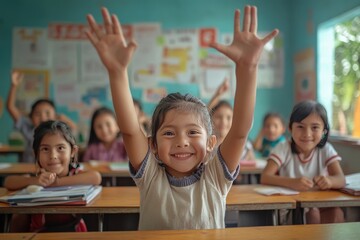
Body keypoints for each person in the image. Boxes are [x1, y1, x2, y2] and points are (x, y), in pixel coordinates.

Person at [86, 6, 278, 229]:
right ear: (153, 145)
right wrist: (117, 73)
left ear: (210, 143)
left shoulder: (215, 176)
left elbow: (240, 131)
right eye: (168, 133)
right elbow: (129, 130)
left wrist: (248, 67)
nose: (182, 141)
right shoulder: (150, 177)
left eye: (193, 132)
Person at [3, 120, 101, 232]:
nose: (53, 156)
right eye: (45, 149)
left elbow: (96, 177)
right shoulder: (37, 177)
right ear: (36, 154)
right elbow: (8, 182)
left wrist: (58, 182)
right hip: (38, 234)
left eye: (60, 148)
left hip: (73, 233)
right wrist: (35, 181)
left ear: (73, 152)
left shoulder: (74, 174)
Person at [260, 100, 346, 224]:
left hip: (320, 203)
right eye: (300, 126)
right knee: (312, 214)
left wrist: (329, 181)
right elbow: (265, 177)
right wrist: (292, 183)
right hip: (291, 208)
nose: (307, 134)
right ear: (290, 128)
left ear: (324, 131)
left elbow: (341, 179)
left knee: (336, 212)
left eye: (315, 127)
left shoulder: (326, 149)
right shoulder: (283, 148)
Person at [6, 70, 77, 163]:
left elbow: (74, 129)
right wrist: (14, 86)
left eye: (47, 113)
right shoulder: (28, 128)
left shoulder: (59, 131)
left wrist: (63, 118)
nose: (43, 118)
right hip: (29, 169)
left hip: (50, 170)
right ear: (31, 118)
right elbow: (11, 107)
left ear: (55, 116)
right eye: (37, 114)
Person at [208, 78, 255, 161]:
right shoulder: (207, 145)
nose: (224, 122)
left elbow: (252, 166)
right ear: (210, 119)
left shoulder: (245, 146)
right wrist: (218, 94)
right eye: (218, 117)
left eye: (229, 118)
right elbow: (203, 115)